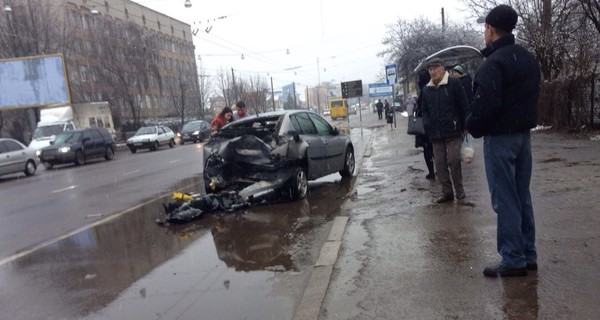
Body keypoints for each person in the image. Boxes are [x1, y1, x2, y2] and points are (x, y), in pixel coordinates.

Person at [466, 4, 540, 277]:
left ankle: (512, 258)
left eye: (484, 28)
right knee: (522, 196)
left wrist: (470, 125)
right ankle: (528, 254)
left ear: (490, 29)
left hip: (500, 140)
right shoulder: (527, 58)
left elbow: (485, 106)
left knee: (505, 198)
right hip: (523, 138)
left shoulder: (493, 65)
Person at [421, 57, 469, 203]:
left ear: (442, 68)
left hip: (453, 131)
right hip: (435, 133)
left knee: (454, 161)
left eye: (435, 68)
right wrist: (427, 123)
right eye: (430, 69)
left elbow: (464, 105)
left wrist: (466, 125)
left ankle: (460, 192)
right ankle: (447, 193)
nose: (433, 71)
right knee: (440, 165)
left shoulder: (453, 83)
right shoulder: (426, 89)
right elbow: (424, 110)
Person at [415, 69, 435, 180]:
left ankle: (432, 172)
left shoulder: (424, 90)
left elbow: (421, 108)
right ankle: (438, 170)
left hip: (425, 124)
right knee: (436, 148)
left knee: (428, 149)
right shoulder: (433, 86)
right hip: (435, 123)